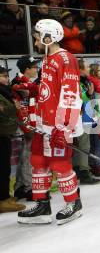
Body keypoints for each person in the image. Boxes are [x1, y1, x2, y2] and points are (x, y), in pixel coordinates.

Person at [17, 19, 83, 225]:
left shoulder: (66, 58)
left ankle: (73, 203)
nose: (35, 42)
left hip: (58, 125)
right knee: (39, 161)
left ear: (48, 38)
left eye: (37, 37)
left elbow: (71, 94)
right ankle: (42, 204)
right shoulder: (46, 59)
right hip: (44, 123)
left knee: (60, 164)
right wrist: (32, 88)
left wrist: (64, 127)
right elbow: (49, 91)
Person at [10, 55, 40, 201]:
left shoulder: (26, 82)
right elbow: (21, 108)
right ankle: (28, 188)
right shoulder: (18, 83)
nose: (37, 69)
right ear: (27, 69)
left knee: (24, 156)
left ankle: (20, 187)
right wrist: (28, 128)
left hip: (29, 125)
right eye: (34, 67)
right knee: (27, 157)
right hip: (24, 126)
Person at [0, 65, 26, 214]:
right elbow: (5, 110)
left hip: (5, 133)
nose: (6, 78)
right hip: (1, 133)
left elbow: (5, 108)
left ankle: (4, 196)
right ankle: (2, 201)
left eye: (6, 75)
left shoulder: (5, 91)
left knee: (5, 167)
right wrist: (13, 107)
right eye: (3, 75)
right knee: (2, 168)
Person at [72, 60, 100, 185]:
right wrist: (88, 94)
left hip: (86, 117)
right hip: (79, 118)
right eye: (87, 66)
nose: (89, 68)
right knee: (84, 146)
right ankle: (83, 172)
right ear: (80, 69)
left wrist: (96, 115)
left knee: (84, 145)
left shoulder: (85, 81)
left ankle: (81, 170)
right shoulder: (76, 82)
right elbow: (79, 98)